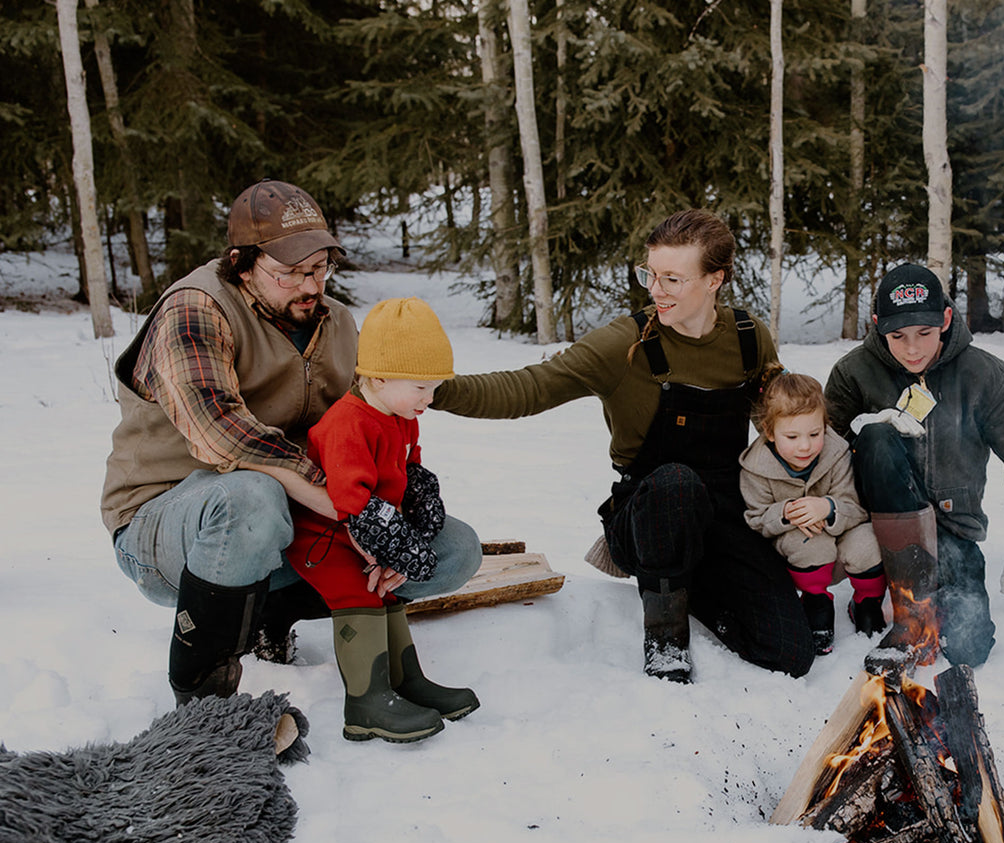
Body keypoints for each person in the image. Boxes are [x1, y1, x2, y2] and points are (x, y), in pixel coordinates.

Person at [101, 180, 481, 707]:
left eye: (320, 268)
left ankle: (268, 614)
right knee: (249, 497)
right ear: (242, 264)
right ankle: (203, 700)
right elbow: (221, 433)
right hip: (171, 522)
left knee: (450, 551)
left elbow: (367, 431)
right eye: (289, 273)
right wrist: (355, 514)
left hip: (293, 516)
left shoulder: (338, 322)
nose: (310, 286)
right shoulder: (193, 310)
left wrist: (402, 511)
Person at [431, 209, 812, 683]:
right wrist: (434, 390)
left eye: (672, 278)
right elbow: (531, 386)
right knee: (677, 483)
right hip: (647, 513)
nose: (655, 290)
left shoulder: (748, 337)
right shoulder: (627, 342)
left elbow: (785, 421)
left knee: (788, 654)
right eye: (650, 274)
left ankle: (691, 586)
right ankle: (665, 634)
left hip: (724, 512)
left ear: (715, 279)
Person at [824, 263, 1004, 669]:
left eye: (925, 334)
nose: (913, 348)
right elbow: (823, 457)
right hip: (876, 524)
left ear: (946, 319)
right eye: (898, 336)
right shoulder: (853, 373)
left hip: (951, 529)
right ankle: (906, 614)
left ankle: (925, 596)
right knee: (877, 437)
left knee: (970, 648)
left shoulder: (985, 375)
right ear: (878, 325)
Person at [288, 298, 479, 743]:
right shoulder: (349, 423)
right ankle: (366, 703)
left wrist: (421, 509)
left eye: (434, 388)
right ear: (377, 376)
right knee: (363, 593)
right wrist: (395, 545)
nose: (429, 401)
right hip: (323, 538)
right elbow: (350, 499)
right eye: (420, 389)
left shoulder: (401, 414)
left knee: (389, 595)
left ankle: (406, 681)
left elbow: (407, 470)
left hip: (366, 531)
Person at [739, 372, 885, 655]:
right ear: (770, 432)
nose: (804, 446)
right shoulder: (756, 467)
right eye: (792, 436)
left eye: (814, 434)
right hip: (796, 554)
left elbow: (856, 506)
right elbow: (755, 519)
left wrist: (828, 507)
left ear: (824, 426)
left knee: (868, 541)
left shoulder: (838, 454)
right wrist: (784, 513)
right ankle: (816, 603)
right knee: (810, 543)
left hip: (841, 537)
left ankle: (868, 602)